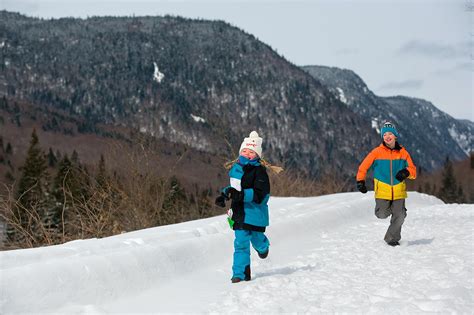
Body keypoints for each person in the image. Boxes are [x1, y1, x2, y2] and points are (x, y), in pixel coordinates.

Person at [215, 131, 281, 283]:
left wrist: (241, 195)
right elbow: (234, 187)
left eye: (251, 152)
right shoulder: (236, 169)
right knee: (240, 243)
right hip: (239, 214)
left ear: (257, 155)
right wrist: (224, 195)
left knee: (257, 239)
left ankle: (263, 247)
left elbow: (260, 194)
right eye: (244, 151)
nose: (247, 154)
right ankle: (240, 274)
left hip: (255, 214)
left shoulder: (260, 172)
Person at [356, 122, 417, 246]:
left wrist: (406, 172)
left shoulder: (403, 153)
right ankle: (394, 212)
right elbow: (363, 166)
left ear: (395, 136)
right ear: (382, 137)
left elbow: (413, 171)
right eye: (385, 134)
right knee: (381, 214)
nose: (387, 136)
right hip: (382, 191)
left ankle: (391, 239)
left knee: (399, 216)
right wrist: (360, 180)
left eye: (390, 134)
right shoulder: (376, 152)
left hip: (399, 191)